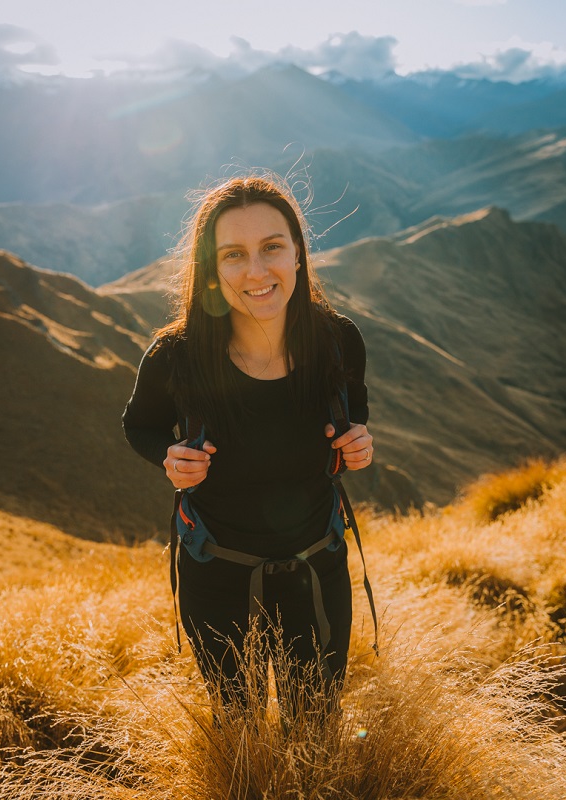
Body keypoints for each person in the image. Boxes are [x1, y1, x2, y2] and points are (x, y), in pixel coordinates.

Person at [122, 174, 374, 721]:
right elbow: (140, 426)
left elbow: (355, 413)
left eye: (272, 247)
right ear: (211, 271)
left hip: (317, 570)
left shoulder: (338, 340)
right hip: (217, 575)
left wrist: (358, 443)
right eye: (234, 254)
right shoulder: (176, 357)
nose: (257, 272)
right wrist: (168, 458)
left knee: (316, 726)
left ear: (300, 254)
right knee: (236, 728)